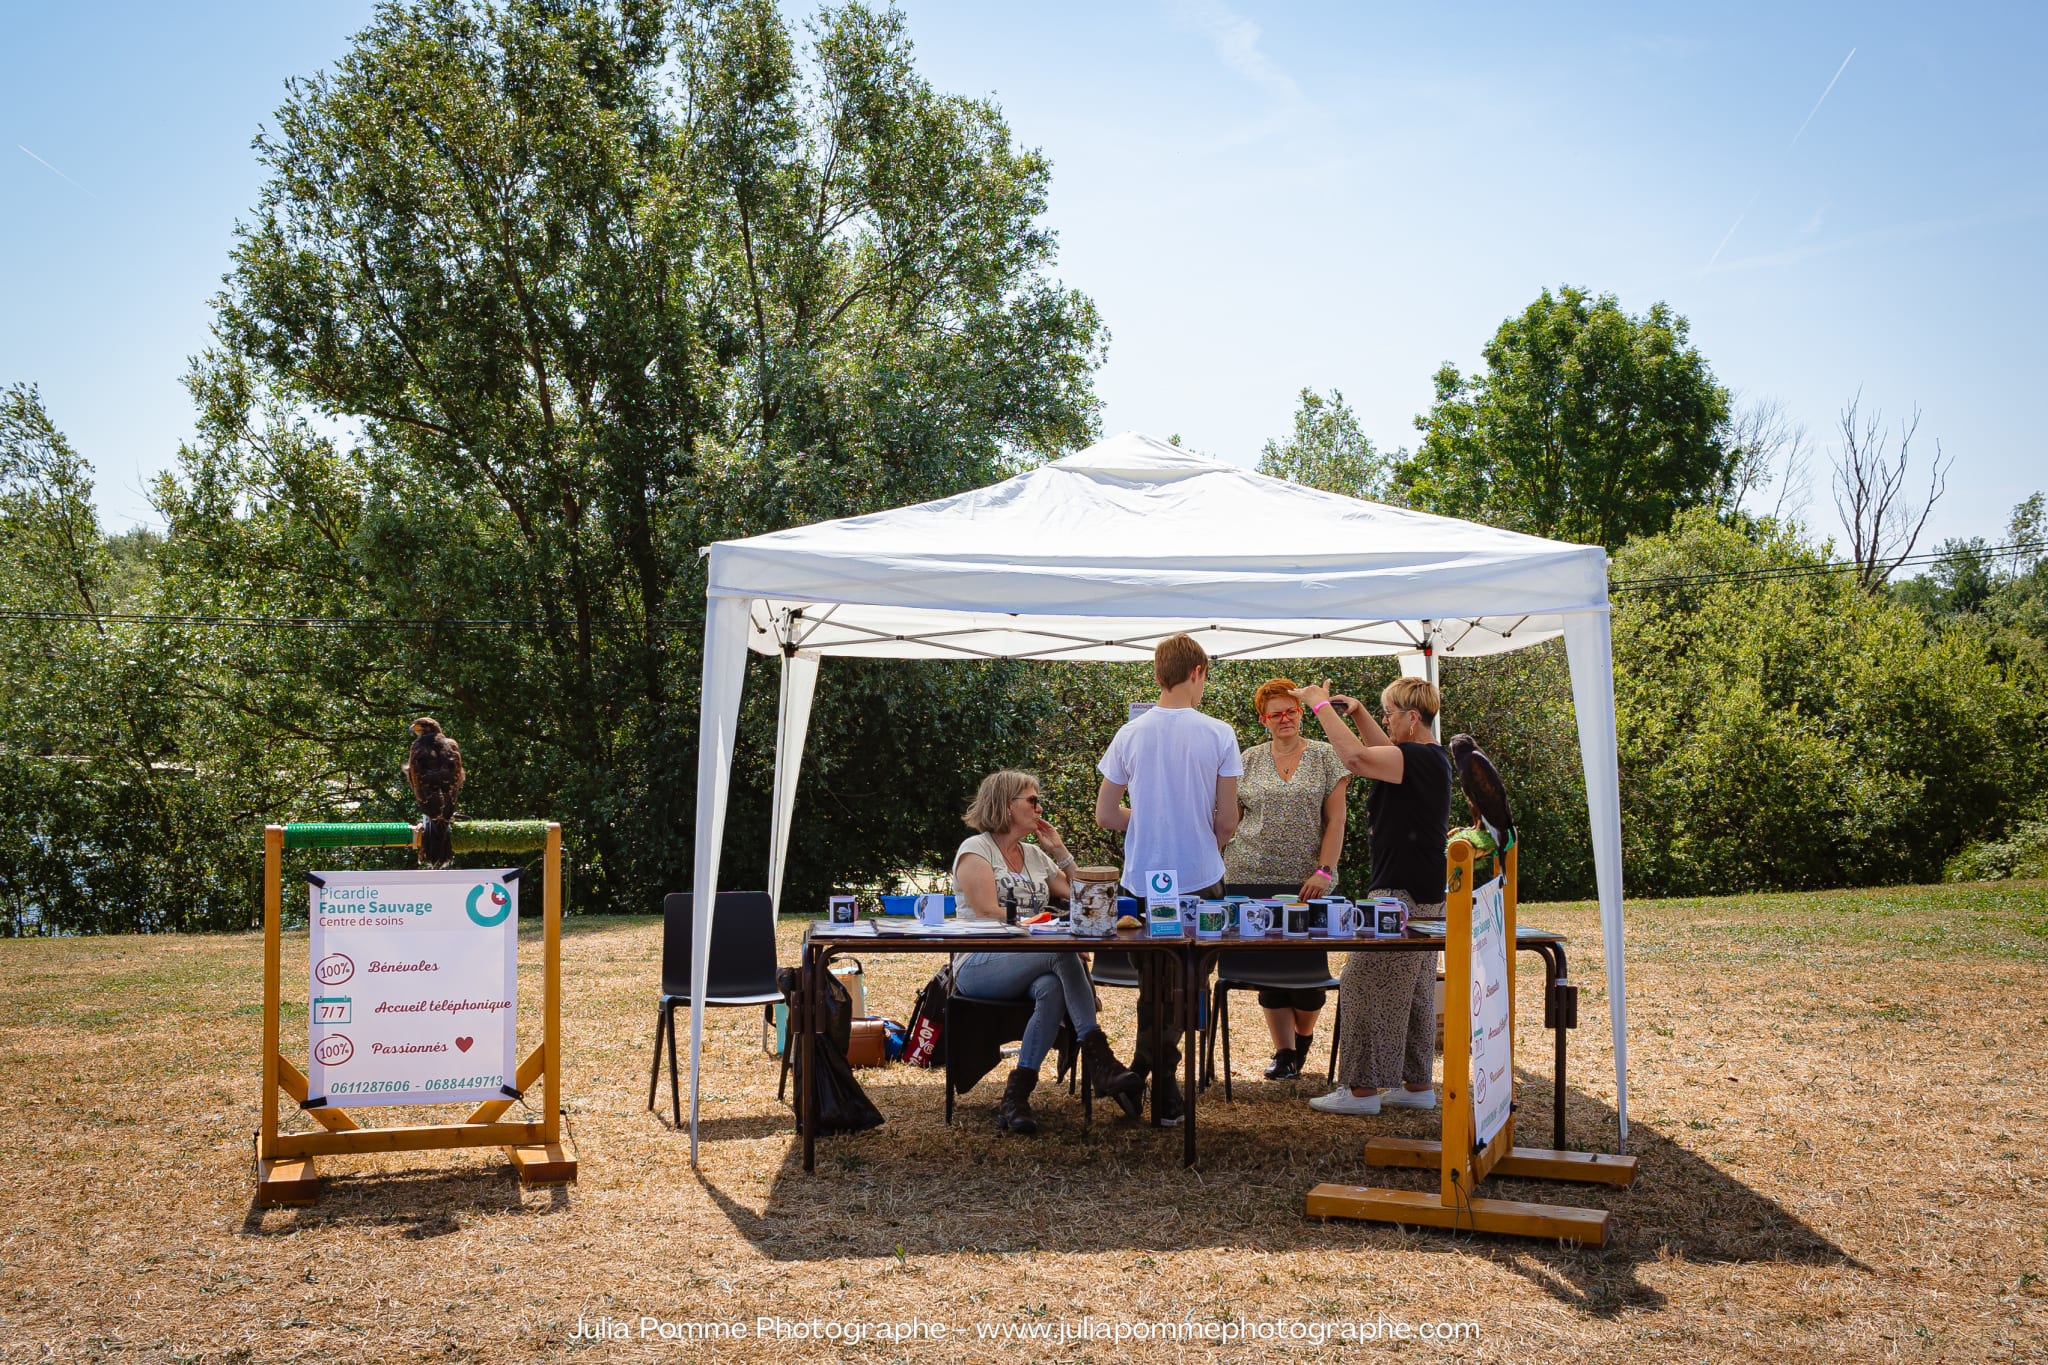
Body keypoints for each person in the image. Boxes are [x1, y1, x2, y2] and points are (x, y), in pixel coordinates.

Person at [1094, 633, 1242, 1124]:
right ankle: (1164, 1084)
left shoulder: (1128, 734)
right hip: (1200, 877)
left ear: (1158, 675)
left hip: (1141, 880)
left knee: (1151, 985)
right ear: (1197, 671)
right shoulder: (1219, 732)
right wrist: (1199, 835)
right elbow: (1226, 822)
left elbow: (1106, 815)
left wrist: (1151, 819)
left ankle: (1145, 1072)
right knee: (1190, 985)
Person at [1292, 675, 1451, 1116]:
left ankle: (1361, 1090)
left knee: (1361, 981)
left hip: (1400, 890)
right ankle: (1417, 1084)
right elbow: (1383, 751)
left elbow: (1359, 758)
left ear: (1413, 718)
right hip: (1424, 888)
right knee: (1416, 990)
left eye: (1390, 714)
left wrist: (1320, 706)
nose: (1386, 721)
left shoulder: (1417, 759)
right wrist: (1360, 712)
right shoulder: (1425, 758)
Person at [952, 769, 1145, 1133]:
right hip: (980, 962)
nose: (1039, 806)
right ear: (1007, 806)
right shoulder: (976, 849)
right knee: (1062, 953)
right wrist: (1042, 930)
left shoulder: (1036, 856)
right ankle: (1100, 1060)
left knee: (1052, 986)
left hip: (1031, 961)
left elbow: (1086, 895)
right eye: (1032, 800)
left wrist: (1060, 851)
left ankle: (1016, 1097)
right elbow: (987, 911)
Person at [1221, 677, 1351, 1080]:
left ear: (1301, 713)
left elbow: (1336, 819)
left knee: (1309, 981)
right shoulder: (1248, 759)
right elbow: (1231, 820)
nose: (1284, 719)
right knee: (1269, 975)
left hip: (1306, 882)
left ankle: (1303, 1037)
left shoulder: (1327, 756)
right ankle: (1284, 1053)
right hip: (1247, 875)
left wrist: (1324, 870)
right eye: (1274, 713)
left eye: (1290, 711)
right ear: (1264, 719)